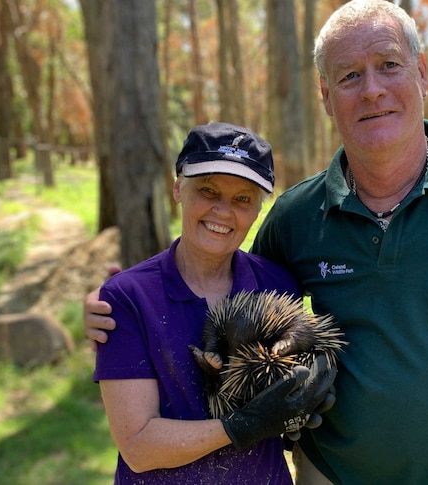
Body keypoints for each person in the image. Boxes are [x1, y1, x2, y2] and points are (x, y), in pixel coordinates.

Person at [85, 2, 428, 484]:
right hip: (329, 476)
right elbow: (216, 289)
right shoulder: (296, 216)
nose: (371, 89)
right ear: (327, 97)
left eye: (388, 65)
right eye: (348, 75)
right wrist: (118, 309)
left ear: (421, 73)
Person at [93, 121, 335, 484]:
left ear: (257, 211)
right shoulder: (127, 298)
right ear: (177, 188)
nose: (223, 211)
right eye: (208, 190)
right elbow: (138, 447)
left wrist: (301, 401)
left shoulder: (276, 283)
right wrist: (242, 426)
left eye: (243, 199)